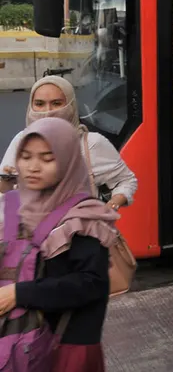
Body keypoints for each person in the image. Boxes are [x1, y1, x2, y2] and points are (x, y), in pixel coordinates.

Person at [0, 118, 119, 372]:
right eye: (26, 156)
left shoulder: (84, 217)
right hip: (12, 344)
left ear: (67, 161)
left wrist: (19, 294)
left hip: (66, 347)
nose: (33, 167)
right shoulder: (10, 206)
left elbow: (91, 284)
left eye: (47, 158)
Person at [2, 76, 139, 210]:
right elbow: (4, 193)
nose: (48, 111)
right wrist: (6, 182)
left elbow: (126, 181)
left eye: (56, 103)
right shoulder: (21, 141)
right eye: (39, 104)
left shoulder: (91, 144)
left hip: (79, 230)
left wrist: (111, 206)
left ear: (71, 106)